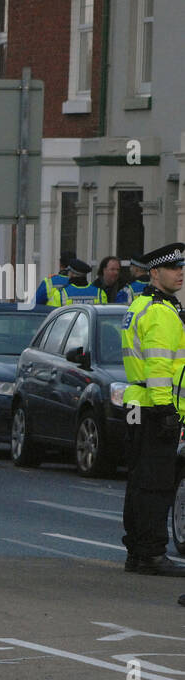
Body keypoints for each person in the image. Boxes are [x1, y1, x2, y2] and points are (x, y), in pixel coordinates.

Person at [120, 242, 185, 577]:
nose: (181, 273)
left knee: (138, 480)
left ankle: (137, 549)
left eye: (182, 268)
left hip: (136, 402)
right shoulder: (160, 312)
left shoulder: (141, 304)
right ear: (156, 273)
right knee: (156, 483)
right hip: (154, 406)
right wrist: (166, 411)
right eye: (174, 268)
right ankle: (151, 554)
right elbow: (159, 367)